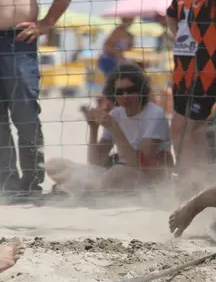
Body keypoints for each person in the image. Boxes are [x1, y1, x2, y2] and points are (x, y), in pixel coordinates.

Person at [0, 0, 81, 197]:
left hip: (18, 41)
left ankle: (30, 183)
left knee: (25, 116)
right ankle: (6, 187)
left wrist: (47, 22)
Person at [45, 63, 174, 194]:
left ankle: (78, 188)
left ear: (141, 90)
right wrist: (93, 128)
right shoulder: (116, 114)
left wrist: (114, 127)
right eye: (119, 92)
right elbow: (96, 161)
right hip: (114, 173)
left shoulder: (155, 115)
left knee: (116, 173)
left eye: (131, 90)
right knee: (53, 165)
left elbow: (140, 165)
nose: (125, 96)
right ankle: (81, 187)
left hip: (144, 178)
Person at [166, 0, 216, 180]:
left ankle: (197, 180)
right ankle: (189, 177)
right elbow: (170, 15)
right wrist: (178, 33)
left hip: (207, 70)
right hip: (182, 71)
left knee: (193, 128)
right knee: (179, 128)